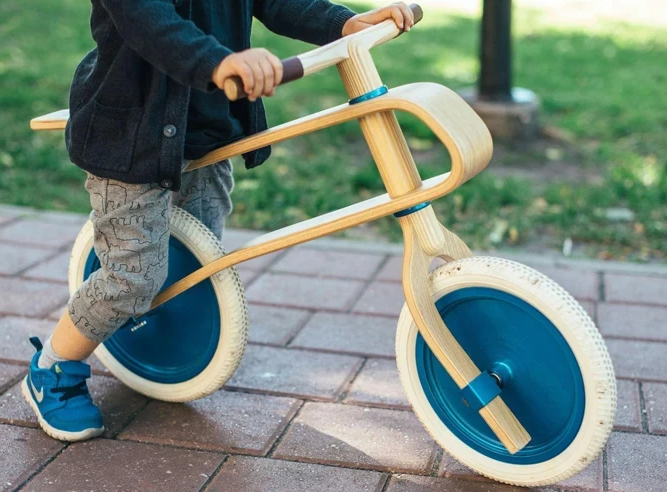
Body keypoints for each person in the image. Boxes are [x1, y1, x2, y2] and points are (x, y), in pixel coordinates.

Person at [22, 0, 417, 441]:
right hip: (131, 143)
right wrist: (223, 61)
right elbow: (152, 24)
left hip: (205, 136)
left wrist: (342, 22)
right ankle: (53, 366)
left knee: (195, 262)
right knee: (132, 277)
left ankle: (163, 336)